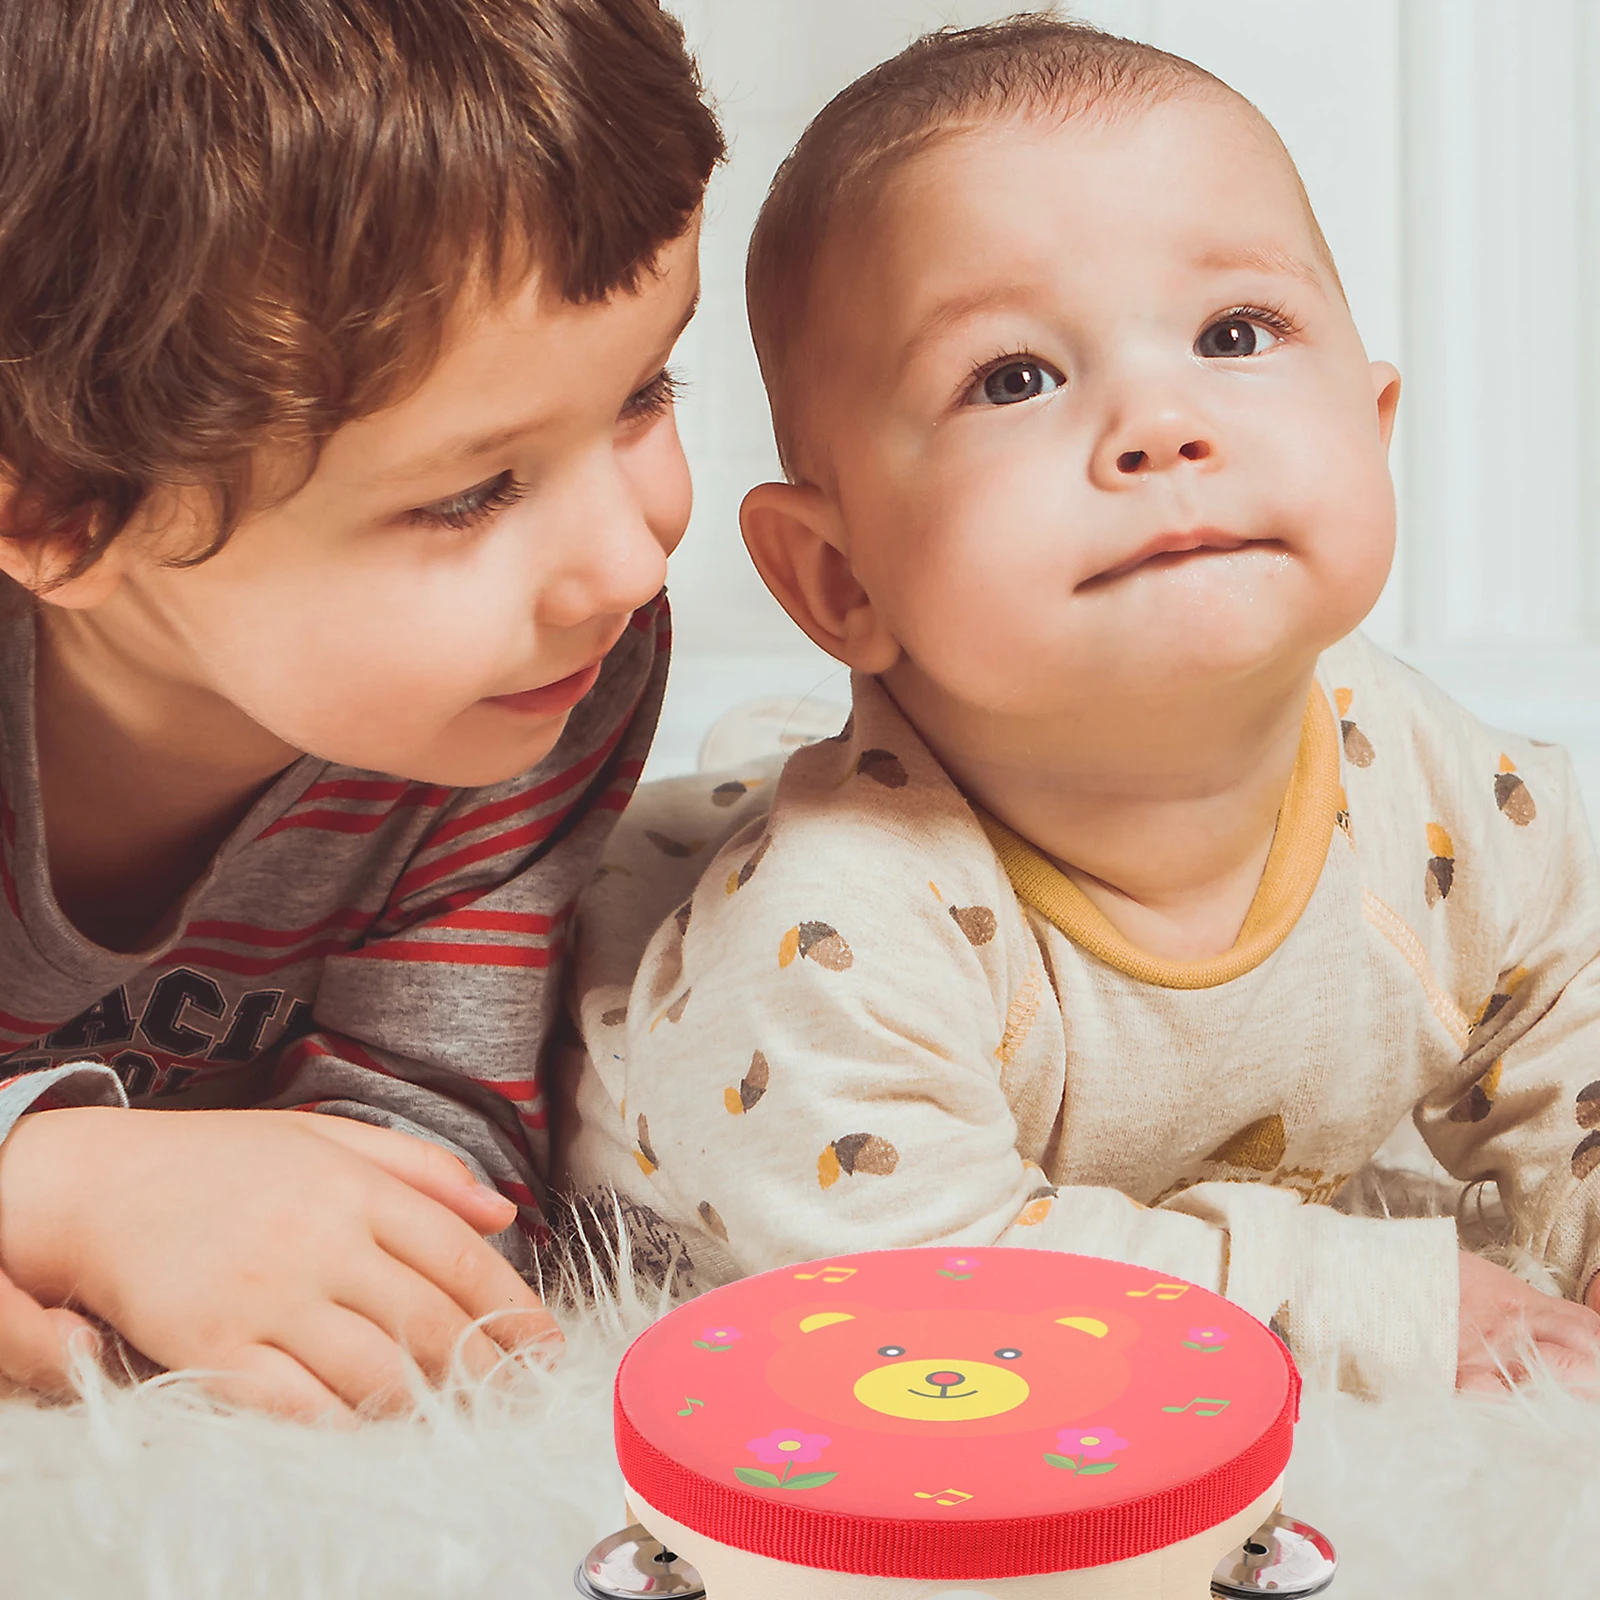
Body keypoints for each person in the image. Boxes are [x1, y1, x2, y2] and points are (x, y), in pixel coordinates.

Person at [558, 16, 1600, 1396]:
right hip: (667, 1028)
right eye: (1015, 377)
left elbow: (1566, 1014)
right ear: (835, 574)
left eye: (1236, 332)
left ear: (1373, 422)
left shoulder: (1440, 782)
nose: (1162, 422)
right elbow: (921, 1288)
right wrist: (1362, 1297)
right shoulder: (830, 938)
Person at [0, 0, 720, 1418]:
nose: (631, 562)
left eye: (644, 392)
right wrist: (52, 1184)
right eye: (468, 493)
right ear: (58, 506)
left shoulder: (535, 690)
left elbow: (434, 1150)